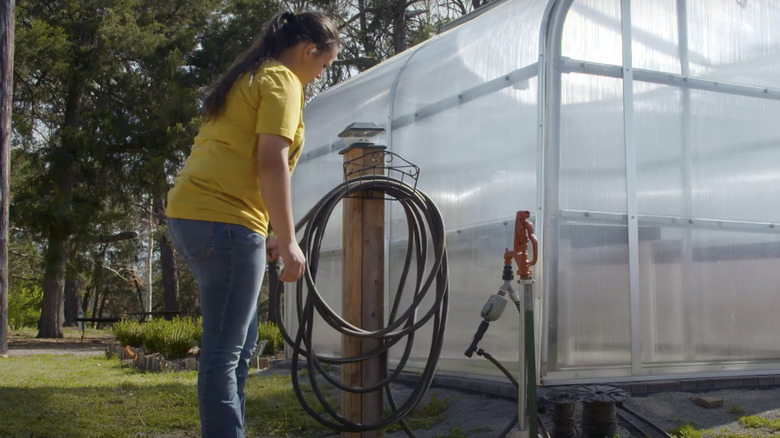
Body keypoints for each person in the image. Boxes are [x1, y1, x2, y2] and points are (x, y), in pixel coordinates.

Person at [165, 11, 340, 438]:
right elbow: (270, 162)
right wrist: (290, 239)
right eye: (323, 65)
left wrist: (266, 234)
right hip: (223, 221)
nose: (319, 76)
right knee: (225, 354)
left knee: (238, 349)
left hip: (193, 216)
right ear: (307, 50)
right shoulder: (282, 80)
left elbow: (238, 161)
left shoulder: (247, 77)